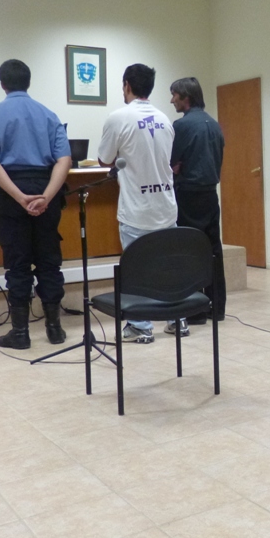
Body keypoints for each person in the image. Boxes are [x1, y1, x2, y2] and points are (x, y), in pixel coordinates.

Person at [0, 59, 71, 350]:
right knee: (49, 260)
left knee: (17, 263)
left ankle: (20, 333)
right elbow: (64, 160)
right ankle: (55, 329)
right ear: (29, 82)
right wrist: (47, 196)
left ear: (2, 84)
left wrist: (19, 197)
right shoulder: (49, 114)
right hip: (46, 189)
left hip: (10, 192)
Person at [98, 63, 177, 344]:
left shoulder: (118, 118)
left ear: (127, 85)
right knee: (169, 266)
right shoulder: (165, 119)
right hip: (166, 206)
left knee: (136, 269)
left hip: (137, 209)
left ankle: (141, 326)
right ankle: (177, 319)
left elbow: (104, 160)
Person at [169, 77, 226, 324]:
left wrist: (178, 167)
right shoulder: (214, 124)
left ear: (186, 97)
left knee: (189, 251)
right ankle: (217, 307)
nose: (172, 100)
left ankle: (195, 311)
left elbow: (172, 163)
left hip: (188, 195)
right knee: (213, 250)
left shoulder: (181, 126)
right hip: (210, 194)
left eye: (174, 95)